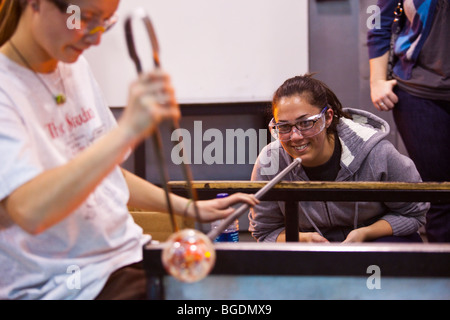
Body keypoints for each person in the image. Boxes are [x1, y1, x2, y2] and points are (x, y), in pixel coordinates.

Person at [0, 0, 258, 300]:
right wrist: (127, 131)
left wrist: (188, 207)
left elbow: (103, 175)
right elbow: (30, 212)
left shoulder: (74, 68)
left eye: (105, 22)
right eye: (83, 18)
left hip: (128, 258)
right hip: (67, 285)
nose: (95, 38)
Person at [249, 74, 428, 243]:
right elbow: (265, 231)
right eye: (284, 127)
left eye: (305, 123)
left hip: (374, 244)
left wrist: (365, 234)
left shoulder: (376, 152)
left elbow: (413, 212)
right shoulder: (270, 161)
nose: (295, 136)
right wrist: (304, 239)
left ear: (327, 117)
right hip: (310, 253)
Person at [367, 0, 450, 242]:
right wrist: (376, 81)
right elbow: (378, 20)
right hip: (420, 94)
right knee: (441, 197)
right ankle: (442, 275)